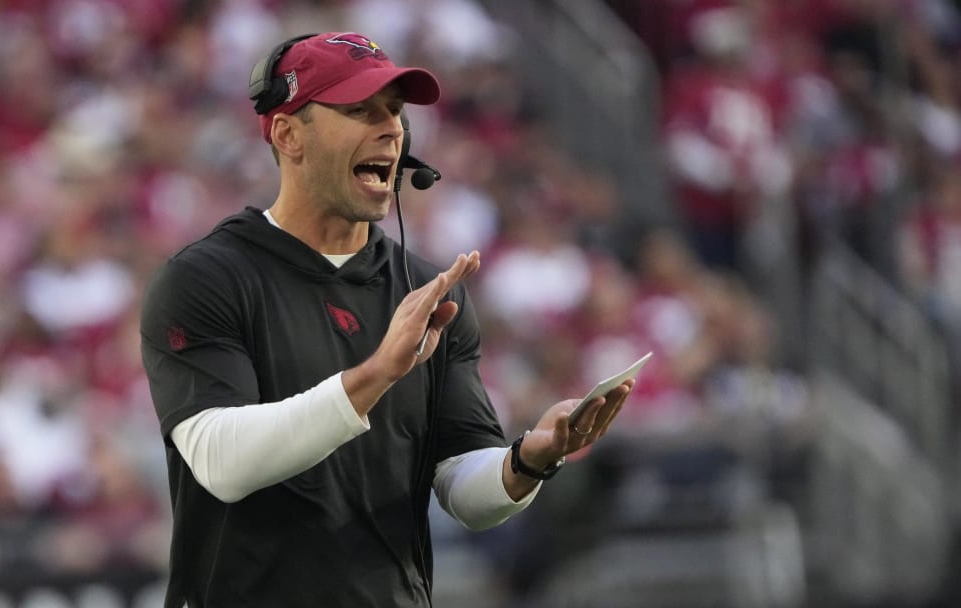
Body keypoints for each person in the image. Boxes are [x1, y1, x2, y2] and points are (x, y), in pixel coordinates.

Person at [139, 31, 635, 607]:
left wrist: (528, 458)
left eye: (394, 111)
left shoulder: (425, 291)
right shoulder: (206, 279)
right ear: (287, 133)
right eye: (358, 110)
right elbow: (222, 464)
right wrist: (376, 373)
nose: (391, 128)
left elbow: (461, 489)